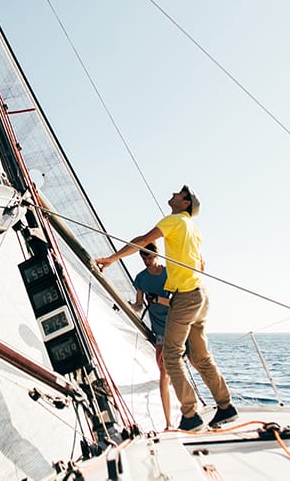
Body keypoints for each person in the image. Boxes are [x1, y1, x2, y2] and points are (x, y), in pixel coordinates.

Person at [96, 185, 237, 432]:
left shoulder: (174, 221)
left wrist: (111, 259)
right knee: (199, 357)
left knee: (172, 356)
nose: (174, 192)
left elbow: (142, 241)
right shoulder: (193, 228)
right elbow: (201, 262)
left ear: (185, 203)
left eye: (180, 193)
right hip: (201, 295)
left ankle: (191, 415)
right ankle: (226, 406)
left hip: (185, 298)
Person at [131, 241, 187, 430]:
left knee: (179, 368)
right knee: (163, 373)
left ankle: (189, 411)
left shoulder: (168, 272)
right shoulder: (140, 279)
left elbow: (176, 302)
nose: (147, 261)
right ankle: (169, 423)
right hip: (159, 331)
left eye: (149, 256)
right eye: (144, 257)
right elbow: (139, 305)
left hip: (176, 326)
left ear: (157, 255)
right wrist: (130, 307)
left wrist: (155, 299)